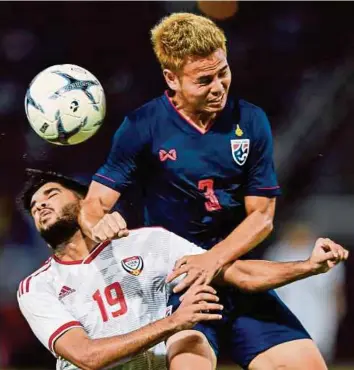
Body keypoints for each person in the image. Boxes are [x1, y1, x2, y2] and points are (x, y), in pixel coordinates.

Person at [78, 12, 347, 370]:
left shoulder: (250, 121)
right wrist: (100, 223)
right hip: (179, 286)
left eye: (223, 72)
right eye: (204, 79)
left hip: (239, 274)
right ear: (171, 78)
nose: (219, 86)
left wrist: (213, 259)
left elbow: (262, 217)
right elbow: (93, 205)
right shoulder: (141, 127)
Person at [17, 169, 348, 370]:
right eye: (34, 207)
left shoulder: (150, 242)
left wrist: (308, 266)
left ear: (85, 200)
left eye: (51, 194)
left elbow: (238, 274)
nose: (41, 205)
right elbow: (86, 357)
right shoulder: (37, 287)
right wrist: (174, 321)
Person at [265, 222, 347, 363]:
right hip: (288, 314)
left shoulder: (327, 255)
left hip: (320, 316)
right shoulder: (278, 252)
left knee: (319, 356)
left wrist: (339, 310)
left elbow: (336, 290)